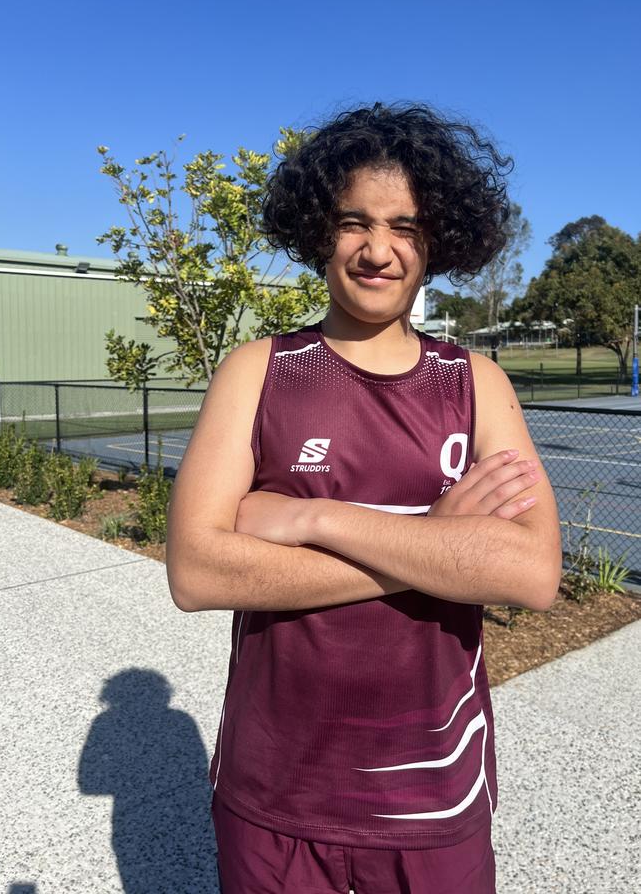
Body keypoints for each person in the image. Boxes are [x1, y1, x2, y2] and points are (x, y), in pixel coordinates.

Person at [165, 102, 562, 894]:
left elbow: (530, 573)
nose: (378, 251)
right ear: (320, 230)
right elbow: (198, 572)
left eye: (406, 229)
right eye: (355, 223)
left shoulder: (474, 385)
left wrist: (312, 519)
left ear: (435, 242)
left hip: (434, 799)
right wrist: (437, 544)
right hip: (273, 794)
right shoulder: (259, 371)